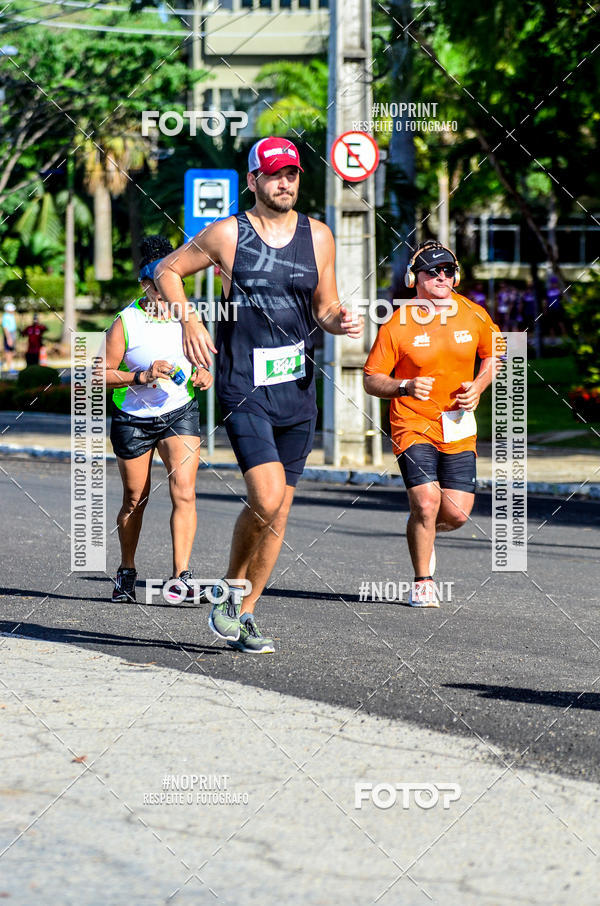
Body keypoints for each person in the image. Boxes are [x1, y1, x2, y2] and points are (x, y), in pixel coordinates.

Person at [155, 136, 363, 653]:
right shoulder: (229, 234)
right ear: (253, 181)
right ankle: (228, 592)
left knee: (280, 512)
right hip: (243, 384)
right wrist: (190, 321)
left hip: (297, 389)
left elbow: (325, 305)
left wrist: (340, 320)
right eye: (274, 175)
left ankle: (244, 614)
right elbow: (165, 271)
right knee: (265, 498)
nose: (285, 182)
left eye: (291, 173)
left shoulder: (318, 236)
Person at [363, 240, 500, 607]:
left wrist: (479, 386)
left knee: (454, 514)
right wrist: (404, 385)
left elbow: (494, 354)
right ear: (415, 278)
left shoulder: (474, 314)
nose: (442, 276)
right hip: (412, 422)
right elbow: (371, 377)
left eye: (448, 271)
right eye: (432, 271)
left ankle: (423, 535)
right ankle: (423, 581)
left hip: (456, 423)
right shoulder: (399, 323)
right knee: (425, 503)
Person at [104, 235, 213, 604]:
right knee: (136, 497)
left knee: (184, 491)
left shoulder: (188, 316)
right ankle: (126, 570)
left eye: (171, 279)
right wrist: (141, 376)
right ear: (144, 282)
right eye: (155, 281)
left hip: (179, 411)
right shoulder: (126, 321)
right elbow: (98, 372)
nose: (163, 288)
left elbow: (204, 360)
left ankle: (181, 576)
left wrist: (204, 373)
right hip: (132, 417)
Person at [2, 302, 17, 373]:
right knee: (8, 351)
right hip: (9, 335)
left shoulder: (11, 316)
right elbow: (5, 328)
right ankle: (9, 368)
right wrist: (9, 338)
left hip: (12, 334)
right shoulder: (6, 316)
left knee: (11, 351)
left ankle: (7, 364)